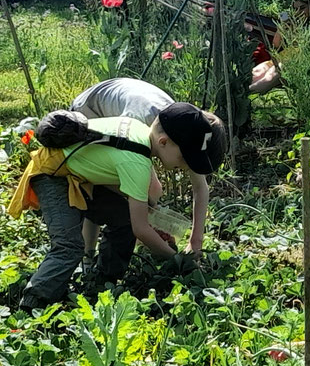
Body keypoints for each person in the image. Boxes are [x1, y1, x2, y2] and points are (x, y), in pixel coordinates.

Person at [6, 102, 225, 310]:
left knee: (124, 218)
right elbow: (141, 229)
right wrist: (176, 260)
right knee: (69, 247)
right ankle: (33, 303)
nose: (184, 165)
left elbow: (104, 168)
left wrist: (143, 209)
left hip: (77, 176)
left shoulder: (139, 132)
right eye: (184, 158)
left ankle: (103, 280)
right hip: (52, 175)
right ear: (164, 142)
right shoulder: (138, 161)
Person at [71, 76, 224, 256]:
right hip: (91, 110)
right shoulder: (144, 125)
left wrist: (195, 243)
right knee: (103, 186)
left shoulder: (184, 129)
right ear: (163, 141)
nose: (185, 167)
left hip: (125, 105)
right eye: (187, 162)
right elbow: (127, 180)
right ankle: (89, 252)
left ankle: (137, 240)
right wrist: (145, 224)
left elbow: (200, 187)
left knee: (148, 193)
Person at [248, 0, 310, 94]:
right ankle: (236, 94)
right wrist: (281, 28)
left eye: (302, 8)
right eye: (295, 9)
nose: (298, 12)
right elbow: (276, 46)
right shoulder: (293, 23)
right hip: (280, 59)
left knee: (271, 75)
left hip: (296, 65)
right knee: (257, 72)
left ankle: (243, 96)